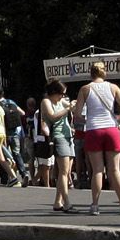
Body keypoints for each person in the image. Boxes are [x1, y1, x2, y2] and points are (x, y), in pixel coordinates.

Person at [76, 62, 120, 215]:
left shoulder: (85, 89)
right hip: (111, 128)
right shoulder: (113, 87)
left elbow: (77, 114)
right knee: (115, 170)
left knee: (97, 170)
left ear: (91, 73)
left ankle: (95, 205)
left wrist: (88, 120)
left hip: (94, 129)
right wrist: (118, 119)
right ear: (104, 73)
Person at [40, 80, 77, 212]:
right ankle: (67, 203)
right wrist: (68, 109)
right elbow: (52, 116)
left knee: (67, 172)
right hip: (58, 137)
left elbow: (73, 106)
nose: (62, 96)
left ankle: (58, 202)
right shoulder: (46, 102)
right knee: (63, 172)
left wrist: (74, 104)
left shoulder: (61, 101)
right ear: (54, 92)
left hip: (68, 136)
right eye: (61, 93)